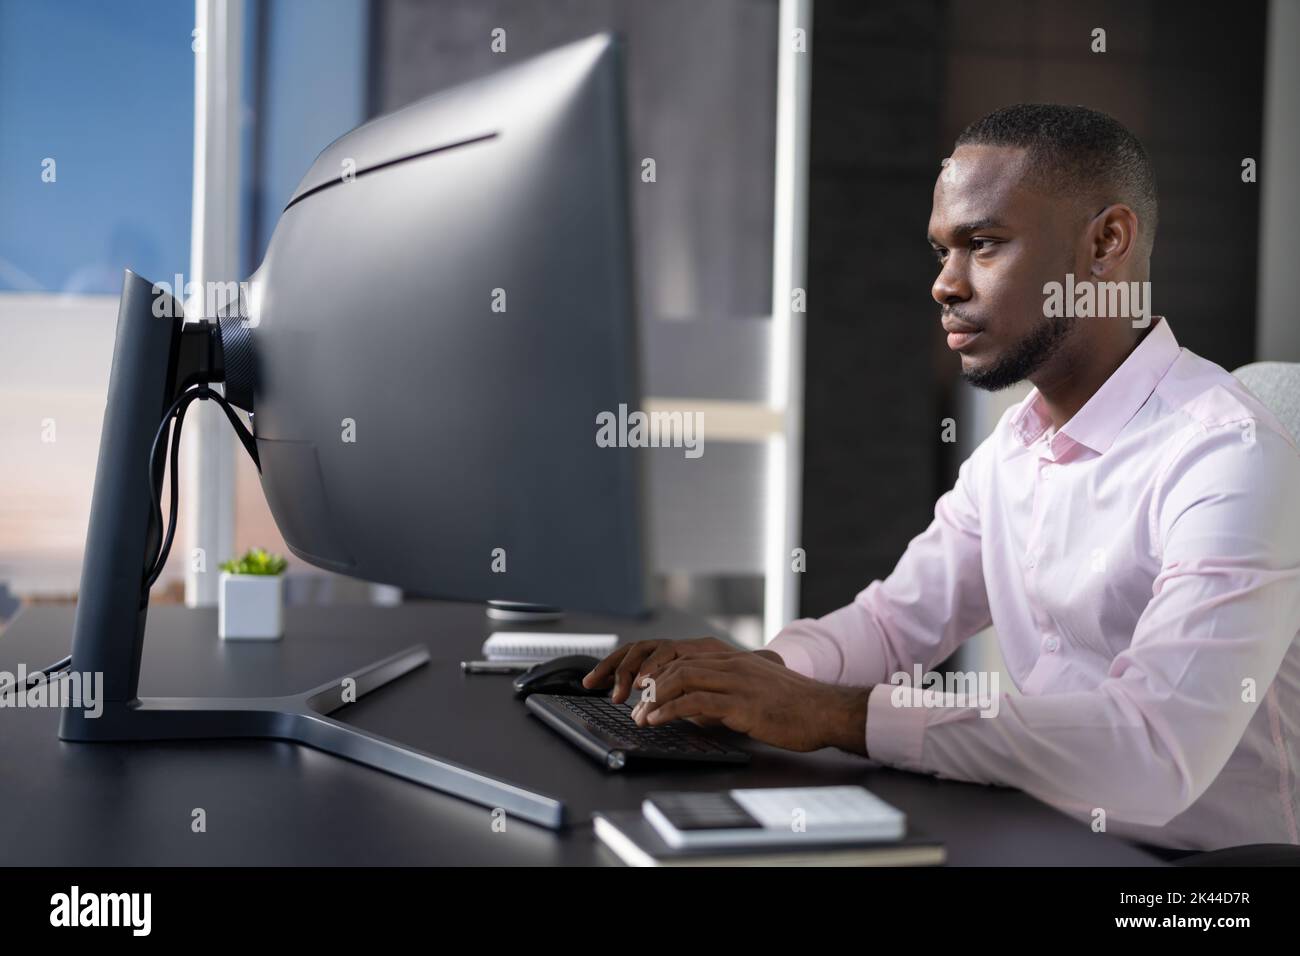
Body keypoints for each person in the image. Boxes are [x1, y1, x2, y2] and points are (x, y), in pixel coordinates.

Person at [583, 104, 1300, 852]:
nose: (945, 285)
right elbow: (893, 625)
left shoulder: (1231, 456)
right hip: (1041, 826)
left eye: (983, 245)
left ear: (1105, 244)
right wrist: (751, 677)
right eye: (941, 253)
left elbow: (1155, 749)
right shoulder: (1012, 449)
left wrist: (834, 715)